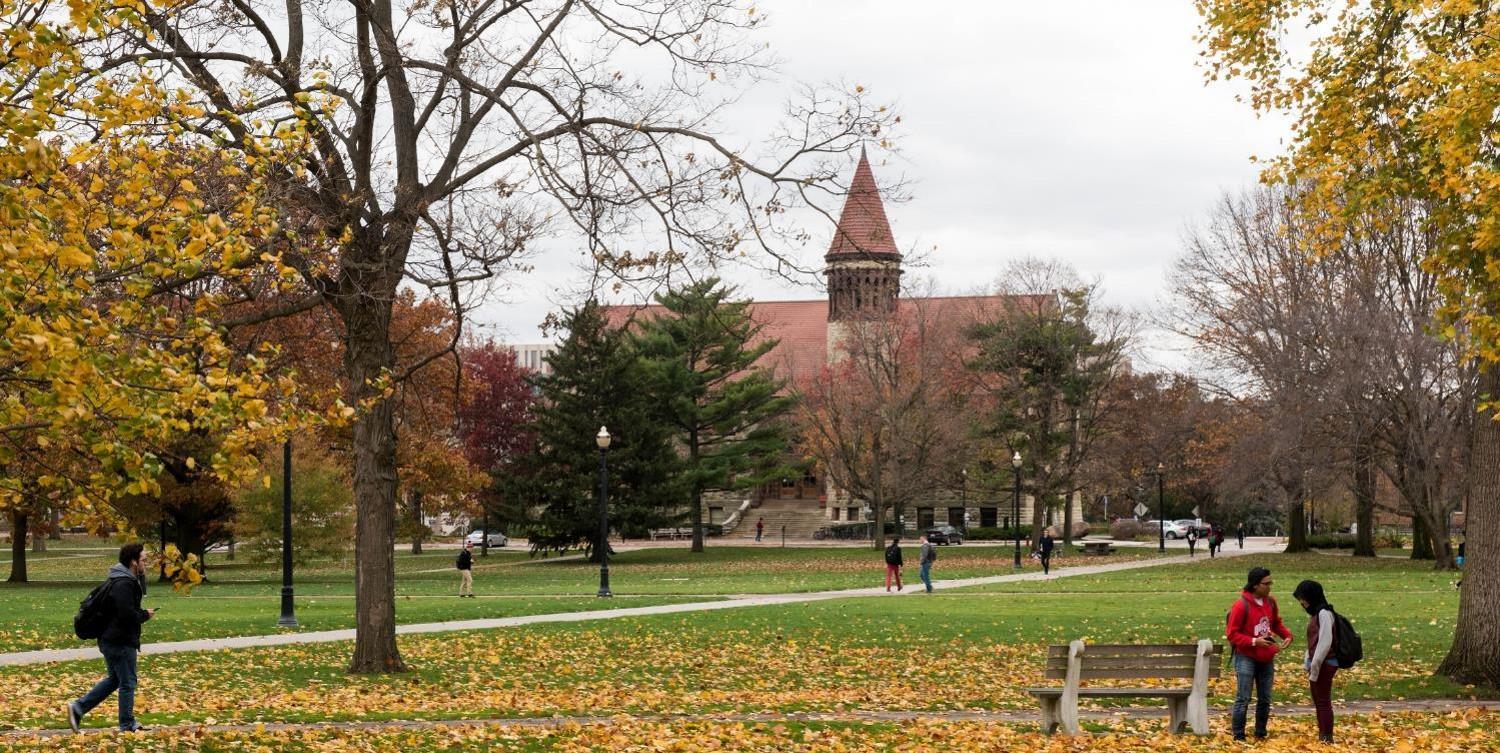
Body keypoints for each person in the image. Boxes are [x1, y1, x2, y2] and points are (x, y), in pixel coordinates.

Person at [67, 543, 156, 733]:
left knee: (115, 680)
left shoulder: (121, 579)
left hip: (111, 639)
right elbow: (126, 614)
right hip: (119, 641)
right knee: (128, 682)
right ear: (133, 562)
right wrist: (144, 615)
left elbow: (124, 609)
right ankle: (127, 724)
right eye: (143, 560)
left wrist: (140, 578)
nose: (146, 563)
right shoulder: (124, 584)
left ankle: (78, 708)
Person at [1226, 566, 1293, 741]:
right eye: (1266, 583)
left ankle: (1260, 733)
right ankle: (1238, 735)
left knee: (1265, 698)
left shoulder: (1270, 602)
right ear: (1255, 585)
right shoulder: (1241, 605)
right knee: (1243, 698)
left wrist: (1287, 635)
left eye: (1270, 582)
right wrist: (1254, 641)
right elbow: (1232, 634)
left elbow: (1275, 623)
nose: (1270, 586)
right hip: (1246, 656)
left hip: (1266, 656)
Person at [1292, 580, 1340, 743]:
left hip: (1324, 663)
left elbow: (1325, 642)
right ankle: (1323, 734)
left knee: (1323, 701)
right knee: (1319, 701)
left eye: (1303, 599)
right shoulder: (1316, 614)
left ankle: (1326, 736)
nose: (1302, 603)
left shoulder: (1324, 614)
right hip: (1317, 663)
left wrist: (1315, 666)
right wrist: (1308, 660)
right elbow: (1313, 641)